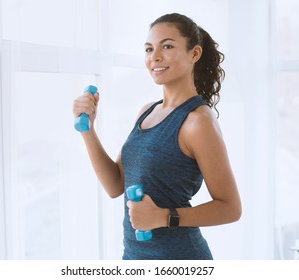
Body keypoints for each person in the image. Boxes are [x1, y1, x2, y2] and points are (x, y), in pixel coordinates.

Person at [72, 13, 241, 260]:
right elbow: (115, 185)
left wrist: (164, 217)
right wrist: (88, 130)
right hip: (134, 257)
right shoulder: (147, 111)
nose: (155, 57)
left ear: (194, 54)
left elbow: (230, 208)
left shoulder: (198, 121)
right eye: (149, 49)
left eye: (168, 46)